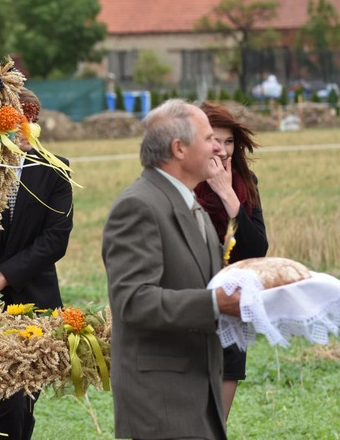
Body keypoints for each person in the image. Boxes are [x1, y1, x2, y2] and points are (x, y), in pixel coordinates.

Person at [102, 99, 242, 440]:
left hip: (195, 395)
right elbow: (134, 301)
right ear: (179, 148)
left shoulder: (189, 202)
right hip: (162, 404)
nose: (218, 148)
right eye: (208, 138)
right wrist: (215, 304)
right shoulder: (139, 206)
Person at [0, 87, 74, 440]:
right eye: (7, 119)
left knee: (22, 400)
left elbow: (55, 240)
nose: (17, 127)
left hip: (33, 300)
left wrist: (1, 279)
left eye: (24, 117)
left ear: (33, 118)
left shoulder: (55, 170)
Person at [195, 101, 269, 420]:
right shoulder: (177, 186)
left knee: (215, 426)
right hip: (185, 312)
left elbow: (256, 249)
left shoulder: (244, 183)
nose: (223, 151)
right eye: (215, 140)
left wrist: (228, 197)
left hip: (230, 313)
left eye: (229, 142)